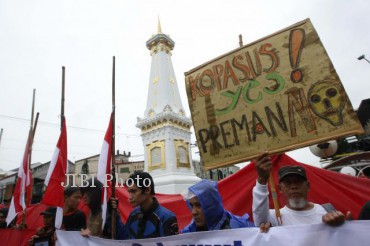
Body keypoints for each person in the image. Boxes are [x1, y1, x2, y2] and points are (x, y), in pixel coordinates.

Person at [252, 152, 350, 232]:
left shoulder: (327, 212)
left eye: (298, 182)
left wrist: (344, 226)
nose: (294, 186)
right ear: (280, 189)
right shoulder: (275, 218)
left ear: (308, 186)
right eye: (288, 183)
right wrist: (262, 179)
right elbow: (260, 220)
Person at [181, 179, 254, 233]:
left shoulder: (243, 228)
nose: (193, 212)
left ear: (212, 206)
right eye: (191, 205)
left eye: (199, 205)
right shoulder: (187, 235)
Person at [123, 171, 179, 239]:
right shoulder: (133, 214)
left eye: (134, 191)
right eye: (129, 192)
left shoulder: (167, 217)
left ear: (147, 189)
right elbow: (123, 238)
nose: (130, 197)